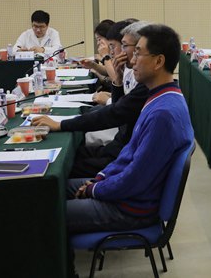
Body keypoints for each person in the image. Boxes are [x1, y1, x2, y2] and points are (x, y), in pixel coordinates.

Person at [65, 23, 193, 236]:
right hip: (124, 193)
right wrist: (101, 178)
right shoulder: (158, 97)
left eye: (138, 54)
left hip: (131, 208)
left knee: (47, 211)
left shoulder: (163, 114)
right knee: (54, 189)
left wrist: (94, 189)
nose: (132, 61)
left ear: (158, 61)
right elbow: (129, 153)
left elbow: (135, 178)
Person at [33, 21, 150, 178]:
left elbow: (114, 114)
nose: (132, 59)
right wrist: (118, 80)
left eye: (135, 51)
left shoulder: (148, 90)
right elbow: (118, 109)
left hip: (121, 156)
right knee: (67, 157)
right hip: (118, 147)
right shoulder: (139, 79)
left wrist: (60, 124)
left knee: (60, 170)